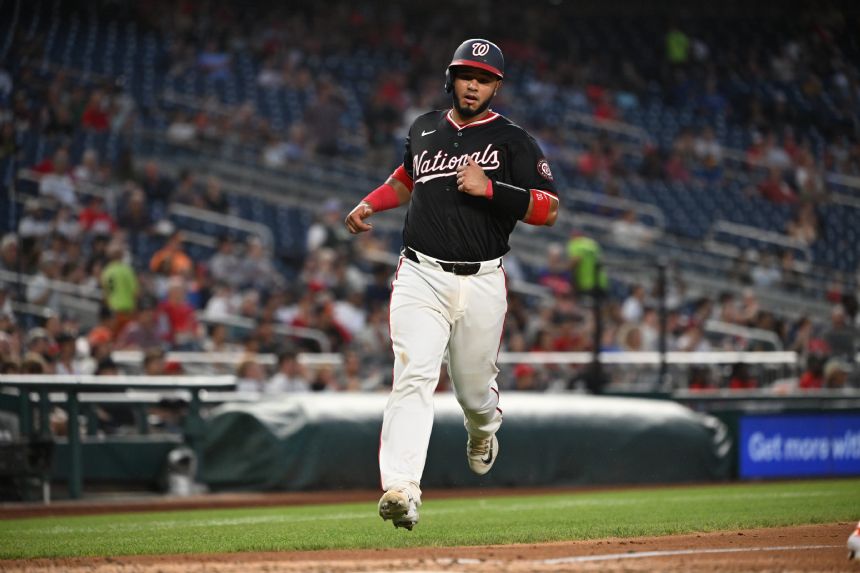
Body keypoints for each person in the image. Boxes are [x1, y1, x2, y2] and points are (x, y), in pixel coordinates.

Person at [344, 39, 559, 530]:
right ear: (452, 78)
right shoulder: (423, 127)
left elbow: (550, 208)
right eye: (467, 75)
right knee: (414, 374)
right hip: (420, 273)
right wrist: (370, 203)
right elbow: (405, 177)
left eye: (483, 78)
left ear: (496, 86)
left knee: (473, 391)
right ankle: (402, 487)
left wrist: (494, 189)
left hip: (483, 280)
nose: (473, 84)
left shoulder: (514, 140)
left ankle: (483, 428)